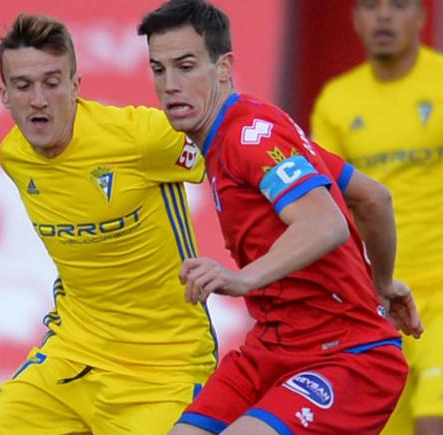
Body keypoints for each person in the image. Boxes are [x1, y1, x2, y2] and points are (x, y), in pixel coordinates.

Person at [137, 0, 424, 433]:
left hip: (347, 356)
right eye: (159, 70)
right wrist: (382, 285)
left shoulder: (248, 139)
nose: (171, 85)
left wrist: (242, 279)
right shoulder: (250, 125)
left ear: (224, 67)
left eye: (186, 66)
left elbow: (324, 222)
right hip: (273, 347)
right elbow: (372, 198)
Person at [0, 13, 218, 435]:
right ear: (4, 95)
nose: (39, 100)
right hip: (73, 354)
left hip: (164, 368)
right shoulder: (14, 156)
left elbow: (239, 145)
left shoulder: (141, 138)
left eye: (52, 82)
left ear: (75, 86)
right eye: (24, 86)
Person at [310, 1, 443, 434]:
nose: (384, 17)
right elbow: (324, 203)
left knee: (433, 414)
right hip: (383, 300)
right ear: (355, 19)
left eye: (399, 5)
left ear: (422, 18)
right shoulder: (337, 100)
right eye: (371, 6)